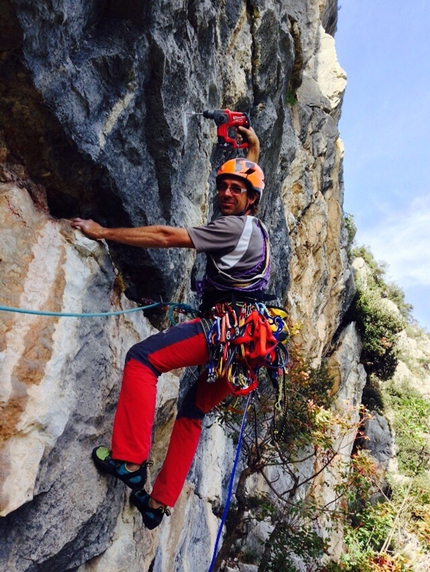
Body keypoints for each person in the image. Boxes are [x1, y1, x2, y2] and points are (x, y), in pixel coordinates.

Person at [71, 127, 272, 530]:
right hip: (251, 350)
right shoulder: (256, 228)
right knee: (193, 408)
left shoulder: (230, 229)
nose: (226, 194)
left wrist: (102, 232)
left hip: (224, 332)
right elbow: (253, 179)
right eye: (224, 187)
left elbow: (166, 237)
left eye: (237, 189)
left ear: (251, 200)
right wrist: (252, 150)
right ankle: (158, 503)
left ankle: (128, 459)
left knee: (143, 360)